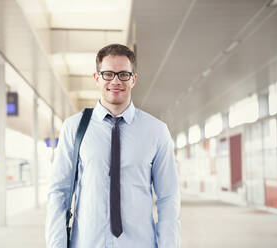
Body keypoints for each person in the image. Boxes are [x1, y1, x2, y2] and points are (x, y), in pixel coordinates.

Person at [46, 44, 180, 248]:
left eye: (123, 74)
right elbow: (59, 192)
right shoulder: (74, 127)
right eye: (108, 74)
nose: (115, 81)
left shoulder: (156, 131)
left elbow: (168, 197)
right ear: (97, 78)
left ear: (133, 79)